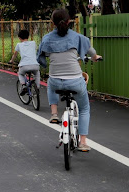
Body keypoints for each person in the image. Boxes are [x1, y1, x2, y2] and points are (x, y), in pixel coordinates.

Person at [37, 9, 102, 152]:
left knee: (50, 83)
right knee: (84, 108)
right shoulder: (77, 37)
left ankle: (54, 114)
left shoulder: (47, 38)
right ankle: (83, 142)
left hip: (55, 81)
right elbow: (91, 51)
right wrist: (95, 57)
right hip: (75, 81)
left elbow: (42, 55)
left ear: (52, 23)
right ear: (69, 21)